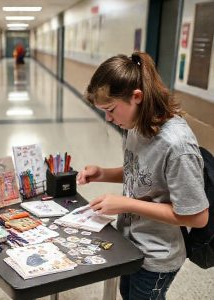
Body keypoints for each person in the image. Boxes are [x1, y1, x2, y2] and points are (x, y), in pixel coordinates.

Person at [77, 51, 209, 300]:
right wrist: (102, 173)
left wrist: (126, 203)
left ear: (136, 97)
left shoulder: (177, 145)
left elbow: (197, 216)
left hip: (158, 255)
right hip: (131, 245)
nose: (108, 118)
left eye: (111, 109)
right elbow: (140, 173)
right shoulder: (135, 125)